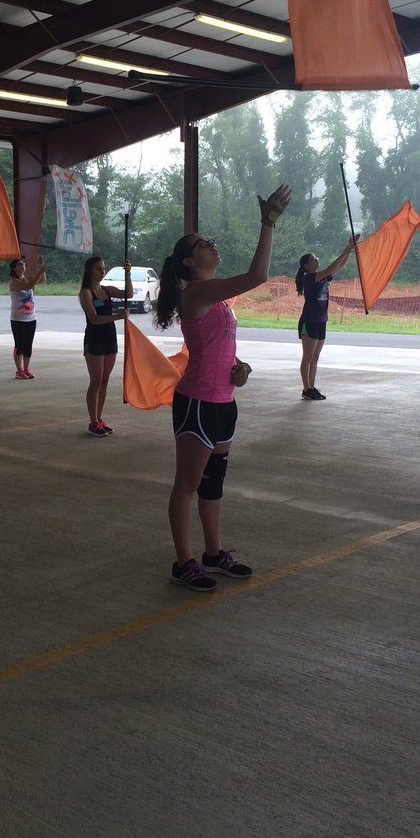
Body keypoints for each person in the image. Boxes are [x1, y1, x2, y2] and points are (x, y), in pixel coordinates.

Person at [155, 183, 292, 592]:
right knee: (188, 485)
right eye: (204, 244)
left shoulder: (218, 302)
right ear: (188, 261)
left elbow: (219, 349)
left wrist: (240, 368)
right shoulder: (197, 293)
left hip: (223, 402)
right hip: (197, 403)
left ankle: (213, 554)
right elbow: (258, 275)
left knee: (213, 483)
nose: (212, 247)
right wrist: (267, 223)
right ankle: (184, 563)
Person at [294, 238, 358, 400]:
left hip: (321, 320)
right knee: (307, 357)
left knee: (315, 357)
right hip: (310, 320)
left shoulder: (321, 277)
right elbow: (331, 268)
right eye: (313, 259)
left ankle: (312, 387)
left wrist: (349, 249)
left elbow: (340, 266)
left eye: (316, 258)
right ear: (306, 266)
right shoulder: (310, 278)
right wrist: (346, 248)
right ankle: (305, 388)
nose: (317, 260)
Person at [79, 256, 131, 436]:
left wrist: (128, 273)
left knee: (105, 380)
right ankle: (93, 422)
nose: (102, 272)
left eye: (103, 268)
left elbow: (128, 294)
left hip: (110, 339)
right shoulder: (86, 293)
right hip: (94, 339)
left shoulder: (107, 290)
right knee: (96, 381)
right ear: (90, 271)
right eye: (98, 269)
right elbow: (93, 319)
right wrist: (118, 316)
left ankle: (99, 419)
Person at [8, 255, 46, 379]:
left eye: (23, 264)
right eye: (19, 264)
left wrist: (41, 268)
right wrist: (39, 272)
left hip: (31, 318)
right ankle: (19, 370)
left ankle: (26, 369)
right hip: (18, 318)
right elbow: (28, 286)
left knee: (28, 344)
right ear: (14, 268)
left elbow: (41, 280)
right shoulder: (14, 281)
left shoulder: (27, 278)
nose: (22, 265)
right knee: (20, 344)